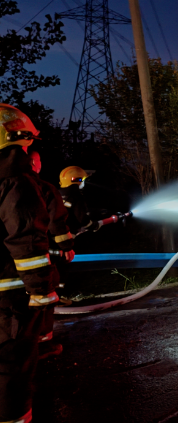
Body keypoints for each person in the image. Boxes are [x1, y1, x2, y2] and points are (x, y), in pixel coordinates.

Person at [0, 104, 60, 422]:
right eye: (27, 143)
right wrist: (41, 290)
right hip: (8, 298)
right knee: (11, 363)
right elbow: (26, 239)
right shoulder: (15, 182)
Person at [28, 150, 75, 359]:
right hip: (35, 256)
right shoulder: (43, 188)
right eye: (38, 161)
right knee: (44, 297)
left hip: (9, 259)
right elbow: (57, 222)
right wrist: (67, 247)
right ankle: (43, 344)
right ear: (33, 163)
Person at [58, 165, 99, 236]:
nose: (83, 182)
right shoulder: (76, 195)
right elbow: (83, 219)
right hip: (69, 235)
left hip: (54, 233)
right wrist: (95, 225)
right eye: (83, 180)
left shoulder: (57, 193)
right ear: (77, 180)